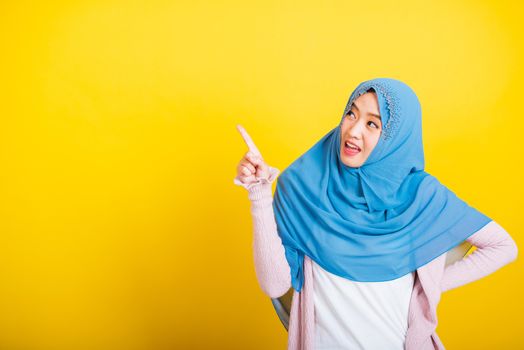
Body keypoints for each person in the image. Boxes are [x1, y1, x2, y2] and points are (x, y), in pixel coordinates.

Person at [233, 77, 518, 350]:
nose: (354, 130)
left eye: (372, 124)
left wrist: (429, 286)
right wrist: (259, 195)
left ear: (396, 137)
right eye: (351, 114)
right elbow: (274, 285)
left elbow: (503, 247)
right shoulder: (302, 186)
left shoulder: (421, 195)